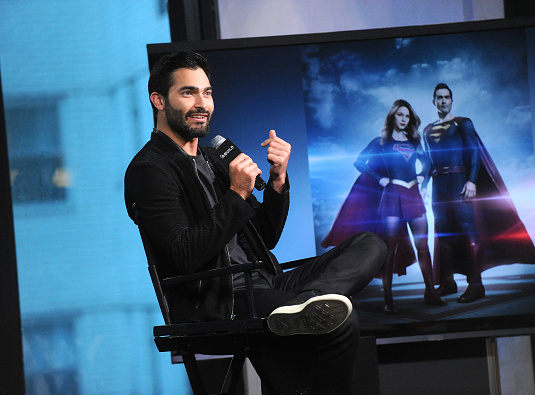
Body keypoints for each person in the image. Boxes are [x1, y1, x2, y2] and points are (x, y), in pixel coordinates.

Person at [124, 50, 387, 394]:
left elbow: (267, 236)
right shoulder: (150, 169)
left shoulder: (214, 158)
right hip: (223, 299)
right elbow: (183, 254)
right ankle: (304, 311)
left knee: (371, 244)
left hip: (267, 283)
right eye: (188, 92)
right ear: (159, 100)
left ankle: (308, 302)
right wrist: (236, 193)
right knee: (340, 323)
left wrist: (278, 180)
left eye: (207, 92)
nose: (202, 102)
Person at [322, 100, 445, 311]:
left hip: (412, 194)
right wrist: (380, 179)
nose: (404, 119)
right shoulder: (381, 142)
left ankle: (430, 293)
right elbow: (360, 162)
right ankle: (389, 300)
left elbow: (427, 163)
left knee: (423, 247)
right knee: (389, 250)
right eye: (400, 115)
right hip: (391, 195)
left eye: (407, 116)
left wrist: (423, 178)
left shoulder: (414, 141)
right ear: (393, 117)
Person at [423, 83, 535, 303]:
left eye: (447, 97)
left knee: (469, 232)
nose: (443, 101)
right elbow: (429, 162)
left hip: (460, 181)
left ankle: (476, 285)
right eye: (439, 97)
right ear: (434, 101)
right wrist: (423, 185)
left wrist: (471, 180)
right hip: (439, 186)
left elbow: (473, 153)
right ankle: (447, 282)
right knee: (444, 235)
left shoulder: (462, 124)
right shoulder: (427, 130)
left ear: (451, 100)